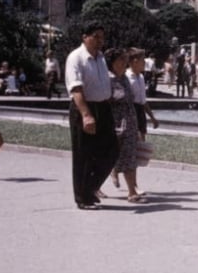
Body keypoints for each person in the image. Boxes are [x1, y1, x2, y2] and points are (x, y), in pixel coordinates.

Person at [65, 23, 118, 210]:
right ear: (84, 37)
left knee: (112, 150)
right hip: (84, 108)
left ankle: (91, 187)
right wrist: (86, 115)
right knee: (84, 154)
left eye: (102, 38)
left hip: (103, 107)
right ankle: (83, 197)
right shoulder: (76, 58)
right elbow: (76, 88)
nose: (99, 41)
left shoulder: (101, 58)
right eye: (95, 37)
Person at [105, 47, 146, 203]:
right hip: (114, 124)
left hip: (129, 122)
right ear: (112, 63)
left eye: (124, 59)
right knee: (108, 157)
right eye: (121, 60)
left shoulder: (124, 79)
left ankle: (131, 192)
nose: (124, 63)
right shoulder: (107, 79)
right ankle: (95, 187)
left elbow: (131, 101)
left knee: (130, 156)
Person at [127, 48, 159, 138]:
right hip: (131, 112)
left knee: (142, 140)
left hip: (140, 112)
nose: (145, 63)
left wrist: (152, 118)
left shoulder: (141, 77)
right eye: (142, 60)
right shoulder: (126, 77)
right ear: (135, 61)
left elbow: (143, 100)